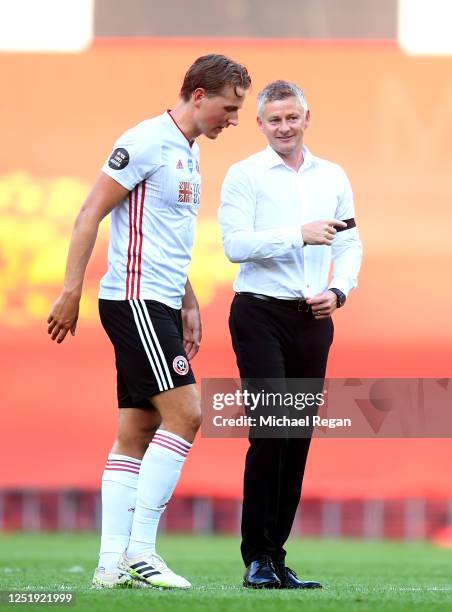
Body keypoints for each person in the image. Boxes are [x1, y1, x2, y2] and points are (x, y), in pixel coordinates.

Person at [47, 54, 251, 589]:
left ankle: (110, 565)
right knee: (187, 414)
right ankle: (142, 551)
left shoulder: (187, 150)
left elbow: (166, 236)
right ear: (200, 95)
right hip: (135, 300)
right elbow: (90, 211)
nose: (232, 119)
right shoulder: (144, 141)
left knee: (136, 431)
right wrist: (71, 289)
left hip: (159, 300)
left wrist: (186, 300)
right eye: (229, 108)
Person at [219, 80, 362, 589]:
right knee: (272, 430)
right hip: (259, 313)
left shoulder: (333, 175)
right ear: (259, 124)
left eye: (291, 117)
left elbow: (350, 244)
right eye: (274, 119)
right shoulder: (244, 176)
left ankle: (276, 558)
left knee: (297, 438)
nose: (283, 127)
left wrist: (339, 291)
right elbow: (234, 246)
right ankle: (256, 558)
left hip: (313, 318)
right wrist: (297, 233)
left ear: (307, 117)